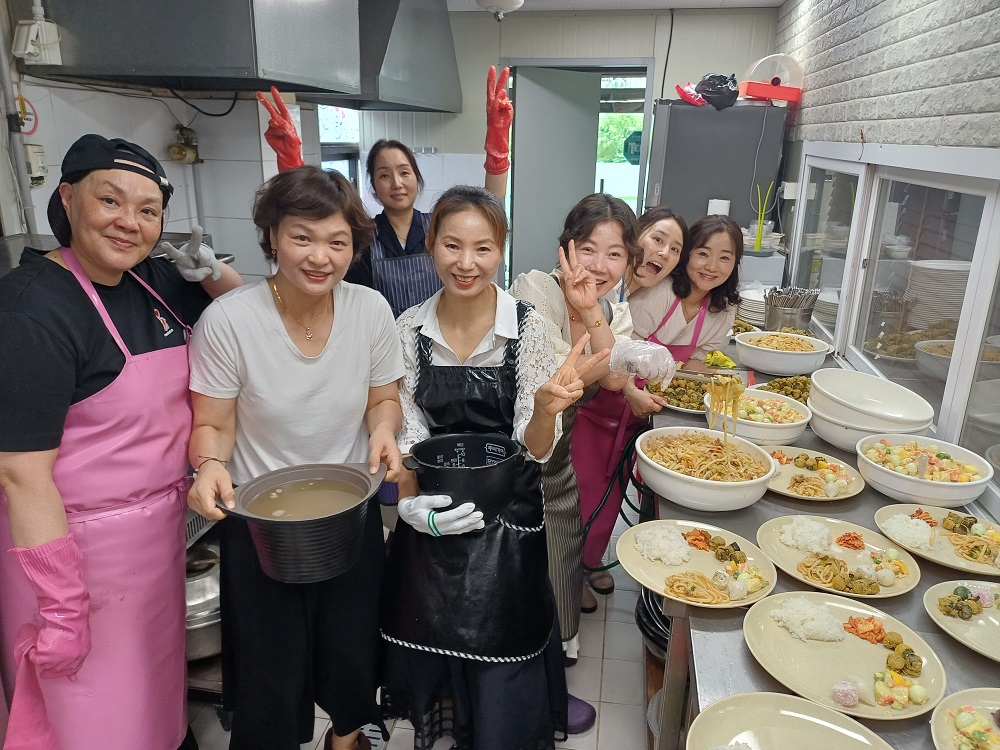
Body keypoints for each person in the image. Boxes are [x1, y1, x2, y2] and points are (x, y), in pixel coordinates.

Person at [0, 134, 241, 750]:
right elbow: (21, 474)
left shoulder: (151, 280)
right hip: (70, 552)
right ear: (67, 198)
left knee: (150, 700)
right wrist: (61, 604)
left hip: (154, 543)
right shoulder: (33, 311)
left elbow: (245, 317)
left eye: (148, 210)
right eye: (110, 201)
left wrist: (212, 271)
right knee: (87, 718)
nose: (129, 222)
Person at [381, 185, 608, 750]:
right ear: (431, 245)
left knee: (506, 632)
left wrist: (548, 410)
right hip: (436, 512)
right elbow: (409, 433)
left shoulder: (528, 329)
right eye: (452, 245)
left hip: (511, 512)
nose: (467, 263)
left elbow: (534, 447)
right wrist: (411, 506)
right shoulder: (408, 329)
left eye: (483, 248)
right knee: (440, 627)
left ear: (501, 251)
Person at [185, 166, 404, 750]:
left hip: (349, 513)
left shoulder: (370, 310)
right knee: (269, 671)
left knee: (353, 648)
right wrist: (210, 465)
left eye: (337, 242)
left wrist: (385, 430)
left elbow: (383, 399)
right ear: (273, 236)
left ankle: (347, 739)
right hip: (261, 525)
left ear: (355, 247)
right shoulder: (229, 320)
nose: (320, 257)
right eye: (302, 237)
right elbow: (213, 423)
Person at [508, 193, 642, 730]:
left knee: (562, 563)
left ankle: (548, 682)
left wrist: (590, 312)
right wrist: (597, 342)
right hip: (519, 446)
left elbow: (614, 376)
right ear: (564, 248)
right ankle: (510, 685)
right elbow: (548, 376)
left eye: (615, 254)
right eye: (588, 249)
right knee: (516, 566)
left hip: (559, 456)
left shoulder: (614, 312)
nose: (599, 266)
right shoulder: (533, 290)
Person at [259, 68, 513, 319]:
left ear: (417, 178)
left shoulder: (437, 225)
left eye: (404, 172)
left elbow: (487, 211)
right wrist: (292, 165)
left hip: (438, 331)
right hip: (380, 335)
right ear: (372, 185)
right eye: (384, 175)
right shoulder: (363, 236)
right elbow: (314, 227)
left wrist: (498, 152)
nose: (396, 183)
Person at [571, 207, 688, 590]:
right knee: (580, 495)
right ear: (636, 239)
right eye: (657, 239)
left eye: (675, 249)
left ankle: (590, 563)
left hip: (626, 415)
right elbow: (606, 363)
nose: (664, 253)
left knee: (611, 495)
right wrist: (631, 390)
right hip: (589, 405)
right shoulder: (597, 289)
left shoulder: (655, 294)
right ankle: (571, 572)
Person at [628, 213, 742, 371]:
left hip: (663, 384)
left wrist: (720, 379)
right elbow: (624, 356)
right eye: (703, 254)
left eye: (724, 258)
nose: (712, 267)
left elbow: (692, 363)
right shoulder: (658, 293)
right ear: (686, 254)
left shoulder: (723, 310)